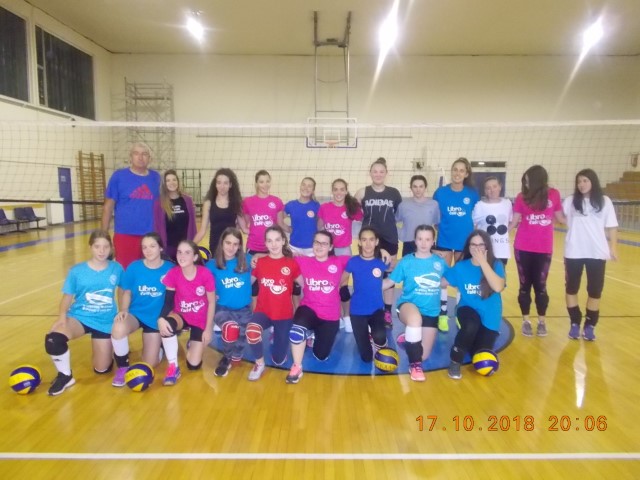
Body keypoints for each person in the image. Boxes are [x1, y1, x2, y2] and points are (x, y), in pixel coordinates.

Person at [44, 230, 124, 396]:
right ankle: (65, 376)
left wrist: (123, 310)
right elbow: (67, 297)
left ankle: (108, 352)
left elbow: (122, 290)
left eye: (105, 247)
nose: (101, 251)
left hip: (104, 320)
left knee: (101, 369)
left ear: (111, 248)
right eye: (97, 246)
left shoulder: (116, 268)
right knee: (53, 339)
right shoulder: (77, 271)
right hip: (79, 317)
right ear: (90, 247)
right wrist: (61, 318)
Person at [382, 225, 447, 382]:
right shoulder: (406, 261)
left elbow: (447, 281)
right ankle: (415, 365)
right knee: (415, 322)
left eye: (427, 239)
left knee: (423, 354)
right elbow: (389, 282)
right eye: (420, 239)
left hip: (431, 312)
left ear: (433, 241)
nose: (423, 243)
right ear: (415, 240)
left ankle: (409, 339)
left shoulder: (439, 262)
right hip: (408, 306)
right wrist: (368, 285)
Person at [286, 230, 350, 384]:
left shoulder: (340, 261)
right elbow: (278, 254)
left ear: (331, 247)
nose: (319, 246)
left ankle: (313, 335)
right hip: (309, 308)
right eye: (316, 242)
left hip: (330, 316)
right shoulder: (302, 261)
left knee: (321, 356)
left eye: (324, 243)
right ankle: (297, 367)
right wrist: (256, 257)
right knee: (296, 331)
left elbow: (364, 258)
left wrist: (381, 251)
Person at [111, 233, 173, 386]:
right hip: (136, 314)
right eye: (144, 247)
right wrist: (123, 310)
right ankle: (123, 367)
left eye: (152, 246)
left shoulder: (170, 269)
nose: (148, 250)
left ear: (160, 248)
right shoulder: (134, 267)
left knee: (150, 363)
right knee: (118, 327)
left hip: (156, 319)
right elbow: (127, 291)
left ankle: (159, 347)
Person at [563, 169, 618, 341]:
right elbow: (558, 216)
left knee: (595, 290)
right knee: (571, 288)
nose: (581, 184)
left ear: (593, 181)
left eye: (585, 181)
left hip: (597, 252)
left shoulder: (604, 201)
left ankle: (590, 325)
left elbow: (612, 226)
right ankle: (574, 323)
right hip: (573, 251)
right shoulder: (571, 201)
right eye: (579, 181)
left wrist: (613, 247)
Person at [443, 230, 506, 380]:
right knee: (470, 325)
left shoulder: (496, 264)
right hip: (467, 309)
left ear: (487, 247)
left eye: (481, 245)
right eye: (473, 245)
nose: (477, 248)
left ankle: (471, 341)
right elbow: (441, 282)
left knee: (478, 355)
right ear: (468, 247)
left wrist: (483, 263)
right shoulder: (461, 267)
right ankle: (455, 360)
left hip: (490, 315)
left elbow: (498, 287)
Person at [511, 165, 564, 337]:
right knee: (524, 285)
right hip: (523, 247)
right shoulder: (521, 197)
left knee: (541, 286)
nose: (526, 184)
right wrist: (496, 233)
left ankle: (542, 321)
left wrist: (583, 220)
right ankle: (526, 321)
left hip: (544, 247)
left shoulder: (554, 194)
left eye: (528, 180)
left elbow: (561, 218)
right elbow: (514, 222)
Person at [157, 240, 215, 385]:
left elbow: (212, 302)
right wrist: (161, 318)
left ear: (195, 257)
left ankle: (193, 343)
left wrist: (208, 329)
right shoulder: (173, 273)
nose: (182, 256)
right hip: (181, 315)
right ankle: (173, 367)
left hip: (199, 319)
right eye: (179, 252)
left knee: (193, 365)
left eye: (187, 253)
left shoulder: (205, 274)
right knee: (166, 324)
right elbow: (168, 302)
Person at [246, 226, 300, 381]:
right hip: (263, 311)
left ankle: (277, 334)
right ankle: (259, 364)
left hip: (284, 315)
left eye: (277, 240)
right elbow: (246, 284)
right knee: (252, 331)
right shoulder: (260, 263)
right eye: (269, 241)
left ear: (283, 241)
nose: (274, 244)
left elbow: (306, 284)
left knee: (279, 360)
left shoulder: (291, 263)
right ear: (265, 243)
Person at [433, 157, 479, 332]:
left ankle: (460, 313)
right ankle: (442, 314)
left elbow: (477, 217)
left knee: (461, 278)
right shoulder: (440, 193)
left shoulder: (472, 194)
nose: (457, 173)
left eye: (461, 170)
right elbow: (435, 217)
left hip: (464, 243)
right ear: (451, 171)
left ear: (466, 174)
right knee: (443, 278)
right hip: (444, 241)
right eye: (455, 169)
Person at [355, 158, 403, 329]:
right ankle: (371, 310)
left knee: (389, 275)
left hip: (389, 239)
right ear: (370, 173)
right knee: (370, 274)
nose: (378, 174)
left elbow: (397, 214)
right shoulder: (362, 193)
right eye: (375, 171)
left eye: (381, 171)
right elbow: (356, 213)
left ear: (386, 173)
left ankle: (387, 312)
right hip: (369, 240)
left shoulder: (394, 193)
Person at [102, 142, 161, 269]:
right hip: (125, 235)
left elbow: (165, 200)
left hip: (150, 236)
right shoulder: (118, 176)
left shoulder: (156, 178)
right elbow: (108, 207)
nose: (140, 157)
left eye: (144, 154)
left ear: (150, 158)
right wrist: (103, 236)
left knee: (149, 272)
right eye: (136, 153)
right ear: (130, 157)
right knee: (126, 273)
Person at [205, 228, 253, 377]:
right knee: (231, 328)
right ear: (222, 243)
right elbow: (203, 286)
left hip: (244, 309)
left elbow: (263, 262)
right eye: (228, 243)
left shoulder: (248, 260)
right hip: (222, 308)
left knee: (239, 347)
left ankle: (234, 355)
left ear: (240, 246)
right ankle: (225, 359)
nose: (231, 247)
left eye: (235, 244)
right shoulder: (211, 265)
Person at [318, 178, 363, 332]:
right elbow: (319, 228)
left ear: (346, 191)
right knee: (330, 286)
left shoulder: (350, 208)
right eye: (336, 189)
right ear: (332, 191)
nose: (338, 192)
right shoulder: (324, 207)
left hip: (344, 251)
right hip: (328, 251)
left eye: (342, 189)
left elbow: (363, 219)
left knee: (343, 285)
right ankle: (335, 316)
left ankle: (347, 317)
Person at [342, 227, 389, 363]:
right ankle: (367, 337)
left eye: (371, 240)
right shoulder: (353, 261)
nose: (368, 244)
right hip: (357, 311)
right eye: (364, 240)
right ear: (359, 242)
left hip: (376, 309)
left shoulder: (382, 261)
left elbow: (401, 266)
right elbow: (341, 281)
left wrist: (384, 250)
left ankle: (378, 338)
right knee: (366, 358)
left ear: (376, 242)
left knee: (380, 336)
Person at [194, 168, 244, 255]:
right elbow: (202, 230)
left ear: (230, 184)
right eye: (219, 182)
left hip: (232, 246)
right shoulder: (208, 203)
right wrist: (190, 246)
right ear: (215, 184)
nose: (222, 186)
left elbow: (243, 228)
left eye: (225, 183)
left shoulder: (236, 203)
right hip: (215, 246)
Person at [152, 169, 196, 261]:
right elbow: (157, 227)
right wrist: (160, 246)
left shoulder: (188, 200)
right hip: (168, 248)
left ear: (178, 182)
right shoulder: (159, 203)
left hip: (185, 247)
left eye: (174, 180)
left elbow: (193, 226)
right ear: (164, 184)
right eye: (168, 180)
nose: (171, 183)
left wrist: (192, 244)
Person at [396, 175, 440, 257]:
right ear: (411, 188)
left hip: (426, 243)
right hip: (409, 243)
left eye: (421, 186)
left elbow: (437, 224)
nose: (418, 190)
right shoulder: (403, 205)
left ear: (425, 188)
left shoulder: (434, 205)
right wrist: (401, 234)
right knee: (408, 265)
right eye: (415, 186)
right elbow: (394, 221)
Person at [242, 170, 284, 255]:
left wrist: (292, 230)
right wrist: (245, 229)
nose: (265, 185)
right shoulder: (247, 201)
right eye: (261, 182)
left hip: (272, 247)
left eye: (267, 181)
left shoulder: (277, 201)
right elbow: (245, 221)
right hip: (253, 246)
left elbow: (280, 224)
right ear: (256, 184)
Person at [472, 176, 513, 264]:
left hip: (502, 251)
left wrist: (503, 233)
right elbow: (473, 226)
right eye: (488, 188)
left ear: (500, 187)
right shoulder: (479, 206)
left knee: (500, 272)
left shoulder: (507, 204)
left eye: (494, 186)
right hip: (484, 250)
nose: (492, 190)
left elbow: (511, 222)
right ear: (485, 191)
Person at [280, 177, 320, 256]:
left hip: (311, 248)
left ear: (313, 190)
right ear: (300, 186)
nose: (306, 188)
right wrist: (288, 228)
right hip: (294, 247)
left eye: (309, 186)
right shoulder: (291, 205)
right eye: (303, 184)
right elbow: (279, 218)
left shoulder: (316, 205)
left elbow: (320, 225)